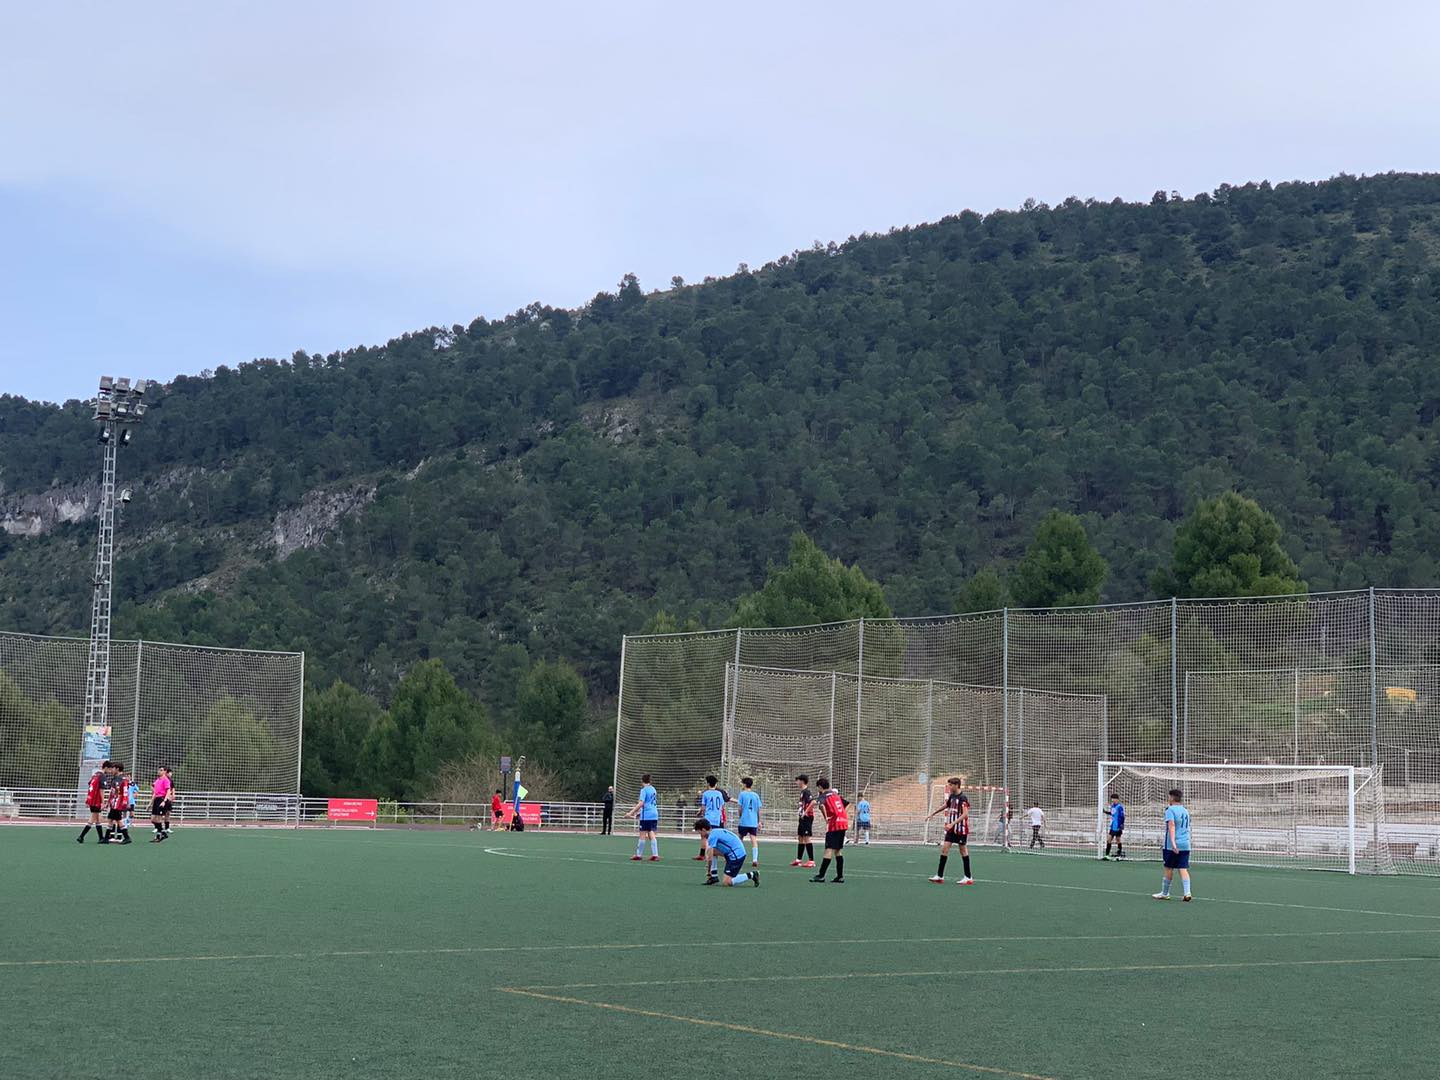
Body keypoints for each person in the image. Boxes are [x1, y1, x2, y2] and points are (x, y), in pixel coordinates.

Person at [926, 777, 974, 885]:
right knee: (944, 849)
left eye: (951, 785)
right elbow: (946, 805)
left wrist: (953, 823)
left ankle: (968, 877)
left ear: (956, 785)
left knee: (963, 851)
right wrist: (933, 813)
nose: (949, 787)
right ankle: (939, 876)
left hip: (960, 829)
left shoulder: (963, 798)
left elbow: (965, 814)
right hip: (951, 829)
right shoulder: (952, 796)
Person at [1153, 788, 1193, 902]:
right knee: (1183, 868)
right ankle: (1187, 892)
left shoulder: (1170, 810)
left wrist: (1174, 843)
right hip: (1185, 843)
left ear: (1171, 797)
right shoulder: (1185, 811)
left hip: (1172, 845)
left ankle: (1165, 893)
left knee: (1168, 867)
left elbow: (1172, 826)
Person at [694, 820, 759, 887]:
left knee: (727, 882)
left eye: (700, 832)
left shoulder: (712, 837)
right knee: (711, 851)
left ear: (704, 830)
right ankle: (714, 877)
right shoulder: (715, 831)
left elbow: (710, 859)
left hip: (737, 855)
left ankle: (752, 875)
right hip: (734, 852)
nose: (700, 835)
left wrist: (708, 872)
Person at [810, 777, 848, 883]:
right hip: (843, 822)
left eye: (818, 788)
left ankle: (821, 875)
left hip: (835, 824)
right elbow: (846, 803)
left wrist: (826, 817)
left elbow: (821, 805)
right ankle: (840, 876)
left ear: (820, 787)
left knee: (829, 849)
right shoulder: (835, 794)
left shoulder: (823, 795)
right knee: (838, 850)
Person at [626, 773, 661, 861]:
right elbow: (649, 802)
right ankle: (655, 854)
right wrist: (639, 813)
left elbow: (641, 803)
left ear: (642, 781)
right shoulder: (653, 789)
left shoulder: (644, 790)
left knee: (642, 834)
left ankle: (639, 855)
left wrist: (631, 813)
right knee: (651, 833)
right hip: (654, 813)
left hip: (647, 815)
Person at [696, 776, 727, 876]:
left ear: (708, 783)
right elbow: (722, 807)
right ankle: (713, 866)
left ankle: (708, 861)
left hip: (708, 820)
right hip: (717, 820)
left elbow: (703, 807)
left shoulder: (706, 793)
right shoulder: (719, 793)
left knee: (707, 841)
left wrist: (700, 813)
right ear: (716, 784)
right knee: (714, 842)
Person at [78, 761, 108, 843]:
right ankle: (81, 836)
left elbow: (90, 787)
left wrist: (88, 800)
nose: (110, 770)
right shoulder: (102, 776)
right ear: (106, 768)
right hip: (97, 801)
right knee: (93, 818)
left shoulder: (95, 775)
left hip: (92, 800)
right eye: (109, 768)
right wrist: (103, 802)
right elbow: (101, 790)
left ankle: (101, 838)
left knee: (97, 819)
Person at [791, 774, 816, 868]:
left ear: (802, 781)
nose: (796, 782)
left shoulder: (806, 792)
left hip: (807, 818)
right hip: (802, 818)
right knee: (800, 837)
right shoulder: (802, 792)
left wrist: (805, 812)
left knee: (806, 837)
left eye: (797, 780)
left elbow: (813, 802)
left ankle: (811, 860)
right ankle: (799, 859)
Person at [736, 777, 762, 866]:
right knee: (754, 840)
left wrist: (740, 816)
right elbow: (759, 810)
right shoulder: (756, 795)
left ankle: (737, 857)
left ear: (744, 784)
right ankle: (755, 859)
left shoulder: (742, 794)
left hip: (744, 820)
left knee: (739, 839)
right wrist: (759, 821)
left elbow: (740, 808)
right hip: (753, 821)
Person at [150, 765, 172, 842]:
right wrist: (150, 804)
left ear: (165, 772)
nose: (159, 771)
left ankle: (158, 836)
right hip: (156, 799)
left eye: (161, 770)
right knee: (153, 819)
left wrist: (164, 801)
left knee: (158, 819)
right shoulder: (157, 780)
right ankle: (163, 833)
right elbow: (154, 793)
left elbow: (168, 791)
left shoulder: (166, 780)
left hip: (162, 799)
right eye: (159, 770)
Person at [1102, 794, 1126, 860]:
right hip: (1113, 826)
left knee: (1118, 840)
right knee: (1109, 839)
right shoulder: (1112, 806)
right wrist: (1105, 812)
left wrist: (1121, 824)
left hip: (1118, 825)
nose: (1113, 800)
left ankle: (1119, 855)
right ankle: (1107, 855)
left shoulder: (1119, 807)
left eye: (1114, 798)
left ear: (1117, 799)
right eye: (1112, 799)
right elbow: (1112, 813)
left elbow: (1122, 816)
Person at [159, 766, 175, 837]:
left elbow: (172, 788)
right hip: (163, 798)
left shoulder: (170, 780)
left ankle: (167, 827)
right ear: (166, 772)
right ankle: (158, 827)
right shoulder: (162, 779)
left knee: (168, 813)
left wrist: (173, 795)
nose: (171, 774)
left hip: (168, 799)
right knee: (161, 814)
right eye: (170, 773)